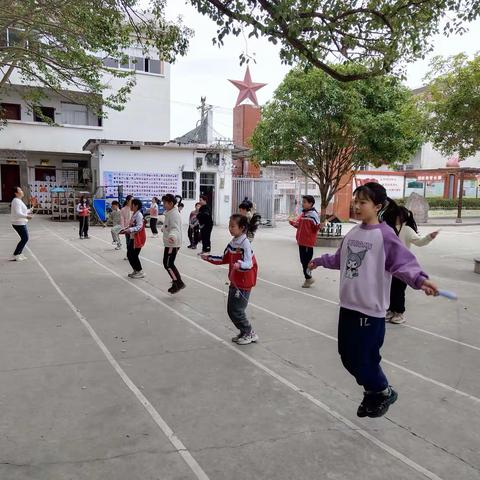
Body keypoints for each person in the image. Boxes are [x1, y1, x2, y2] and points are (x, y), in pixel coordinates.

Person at [308, 182, 438, 419]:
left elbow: (403, 263)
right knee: (347, 357)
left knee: (365, 359)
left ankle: (382, 391)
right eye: (355, 201)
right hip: (347, 306)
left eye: (362, 202)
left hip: (370, 312)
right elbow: (341, 259)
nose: (357, 206)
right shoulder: (354, 233)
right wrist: (320, 261)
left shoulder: (385, 235)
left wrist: (420, 280)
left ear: (378, 206)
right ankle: (373, 391)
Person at [201, 214, 260, 345]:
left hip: (243, 283)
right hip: (235, 281)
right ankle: (244, 331)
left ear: (242, 228)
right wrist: (208, 257)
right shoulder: (233, 242)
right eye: (229, 226)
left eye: (233, 226)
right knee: (231, 309)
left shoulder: (245, 244)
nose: (230, 229)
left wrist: (240, 265)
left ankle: (250, 332)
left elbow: (249, 263)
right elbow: (224, 258)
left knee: (237, 310)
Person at [383, 205, 439, 324]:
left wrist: (429, 237)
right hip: (389, 265)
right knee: (389, 289)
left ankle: (399, 313)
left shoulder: (407, 229)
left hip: (402, 266)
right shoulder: (388, 228)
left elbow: (419, 242)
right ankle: (391, 310)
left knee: (398, 290)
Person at [289, 195, 322, 288]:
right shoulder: (303, 214)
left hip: (308, 242)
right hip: (301, 241)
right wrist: (292, 222)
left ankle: (308, 278)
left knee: (306, 262)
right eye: (302, 202)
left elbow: (316, 228)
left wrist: (320, 226)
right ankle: (308, 278)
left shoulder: (313, 214)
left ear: (310, 203)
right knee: (303, 261)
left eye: (304, 202)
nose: (302, 204)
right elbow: (298, 225)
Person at [162, 194, 185, 294]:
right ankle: (176, 282)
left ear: (171, 203)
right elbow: (169, 225)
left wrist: (172, 236)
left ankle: (178, 282)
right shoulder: (170, 212)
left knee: (168, 264)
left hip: (172, 243)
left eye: (165, 203)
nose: (163, 205)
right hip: (170, 242)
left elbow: (175, 228)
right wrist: (165, 229)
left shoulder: (174, 214)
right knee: (168, 263)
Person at [121, 198, 146, 279]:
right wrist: (125, 229)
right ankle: (136, 270)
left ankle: (140, 271)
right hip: (132, 237)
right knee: (129, 254)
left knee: (134, 255)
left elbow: (139, 227)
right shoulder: (134, 214)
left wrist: (129, 230)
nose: (130, 206)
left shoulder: (139, 215)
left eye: (132, 204)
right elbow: (132, 225)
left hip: (138, 238)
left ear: (136, 206)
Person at [10, 186, 33, 261]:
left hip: (20, 222)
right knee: (25, 238)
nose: (22, 191)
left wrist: (30, 210)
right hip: (18, 223)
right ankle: (15, 254)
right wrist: (27, 216)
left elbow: (23, 211)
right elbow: (18, 213)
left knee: (24, 238)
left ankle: (18, 254)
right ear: (16, 193)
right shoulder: (16, 201)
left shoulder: (19, 200)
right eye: (20, 190)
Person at [120, 195, 133, 260]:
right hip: (127, 229)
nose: (132, 201)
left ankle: (133, 255)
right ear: (128, 201)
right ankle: (128, 255)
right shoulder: (123, 209)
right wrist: (123, 228)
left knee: (133, 242)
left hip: (134, 229)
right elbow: (122, 220)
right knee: (128, 242)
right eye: (131, 200)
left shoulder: (134, 208)